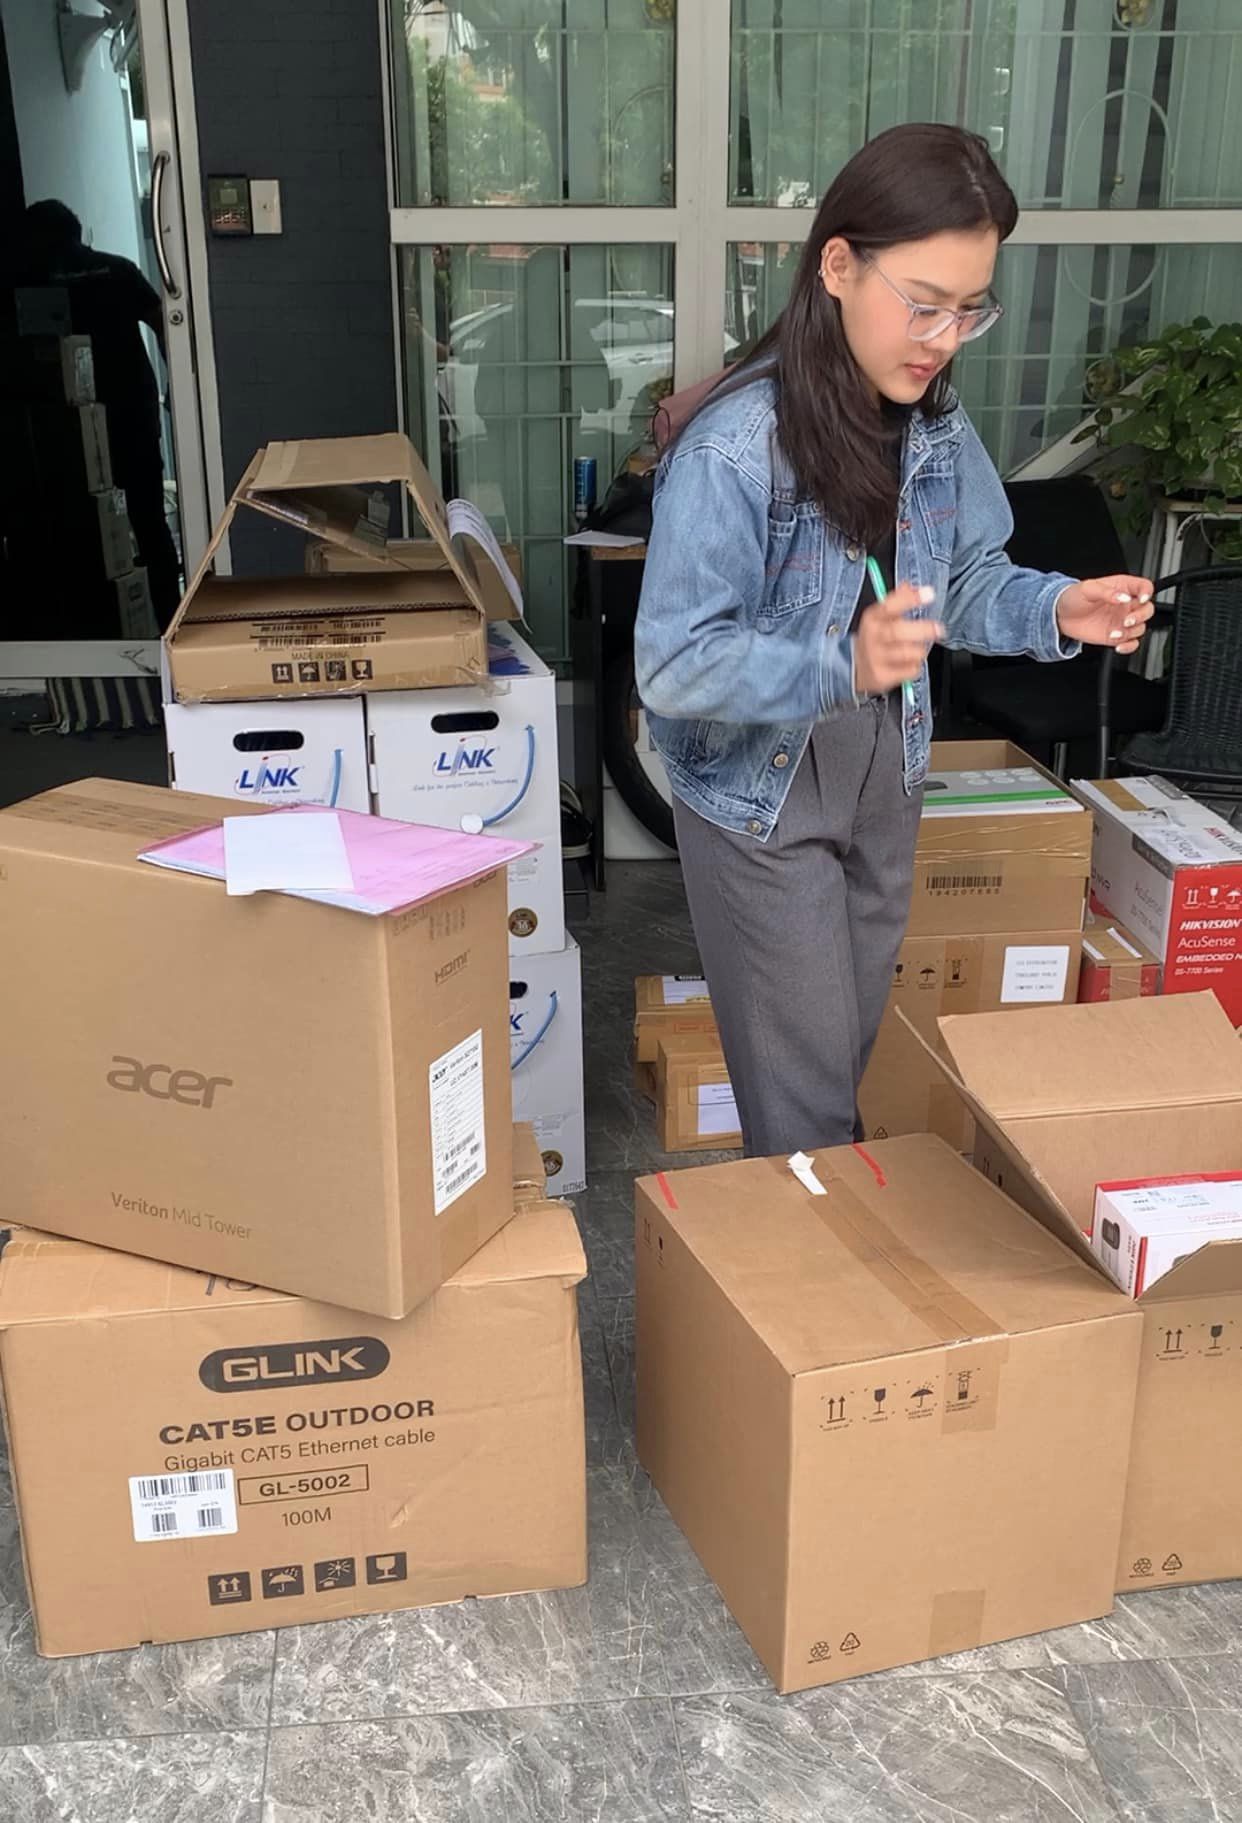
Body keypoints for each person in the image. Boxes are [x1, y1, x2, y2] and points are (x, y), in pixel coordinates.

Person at [634, 124, 1153, 1159]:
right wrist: (841, 663)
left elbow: (966, 582)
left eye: (970, 309)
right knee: (807, 1106)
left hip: (887, 765)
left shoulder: (935, 428)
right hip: (761, 788)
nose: (944, 336)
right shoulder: (735, 450)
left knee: (840, 1059)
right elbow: (673, 664)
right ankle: (811, 1251)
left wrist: (1059, 609)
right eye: (922, 302)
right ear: (837, 265)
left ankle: (821, 1230)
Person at [18, 200, 181, 627]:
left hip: (71, 424)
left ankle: (101, 623)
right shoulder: (118, 270)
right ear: (78, 232)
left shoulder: (34, 282)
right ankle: (170, 619)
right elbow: (164, 324)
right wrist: (174, 384)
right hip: (132, 408)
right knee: (148, 518)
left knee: (81, 523)